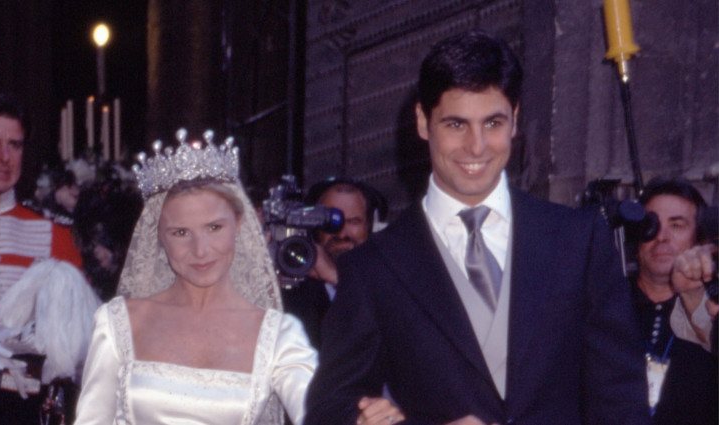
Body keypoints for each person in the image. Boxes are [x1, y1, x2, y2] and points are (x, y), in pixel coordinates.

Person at [304, 30, 650, 425]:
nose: (477, 146)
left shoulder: (578, 240)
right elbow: (329, 410)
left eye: (493, 123)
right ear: (422, 121)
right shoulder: (373, 268)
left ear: (515, 119)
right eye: (456, 124)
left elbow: (621, 401)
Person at [73, 129, 400, 425]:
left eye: (214, 228)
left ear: (240, 225)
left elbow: (317, 409)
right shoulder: (118, 324)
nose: (200, 251)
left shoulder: (276, 335)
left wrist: (357, 420)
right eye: (180, 232)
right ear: (157, 235)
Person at [0, 92, 91, 424]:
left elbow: (81, 345)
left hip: (26, 410)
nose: (4, 157)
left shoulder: (54, 235)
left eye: (15, 145)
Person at [630, 177, 717, 423]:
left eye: (677, 225)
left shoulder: (711, 308)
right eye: (651, 223)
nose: (662, 237)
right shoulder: (605, 302)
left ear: (700, 240)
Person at [282, 177, 387, 348]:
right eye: (330, 221)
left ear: (370, 227)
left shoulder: (389, 284)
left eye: (353, 222)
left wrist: (338, 279)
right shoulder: (291, 295)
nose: (341, 233)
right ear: (314, 228)